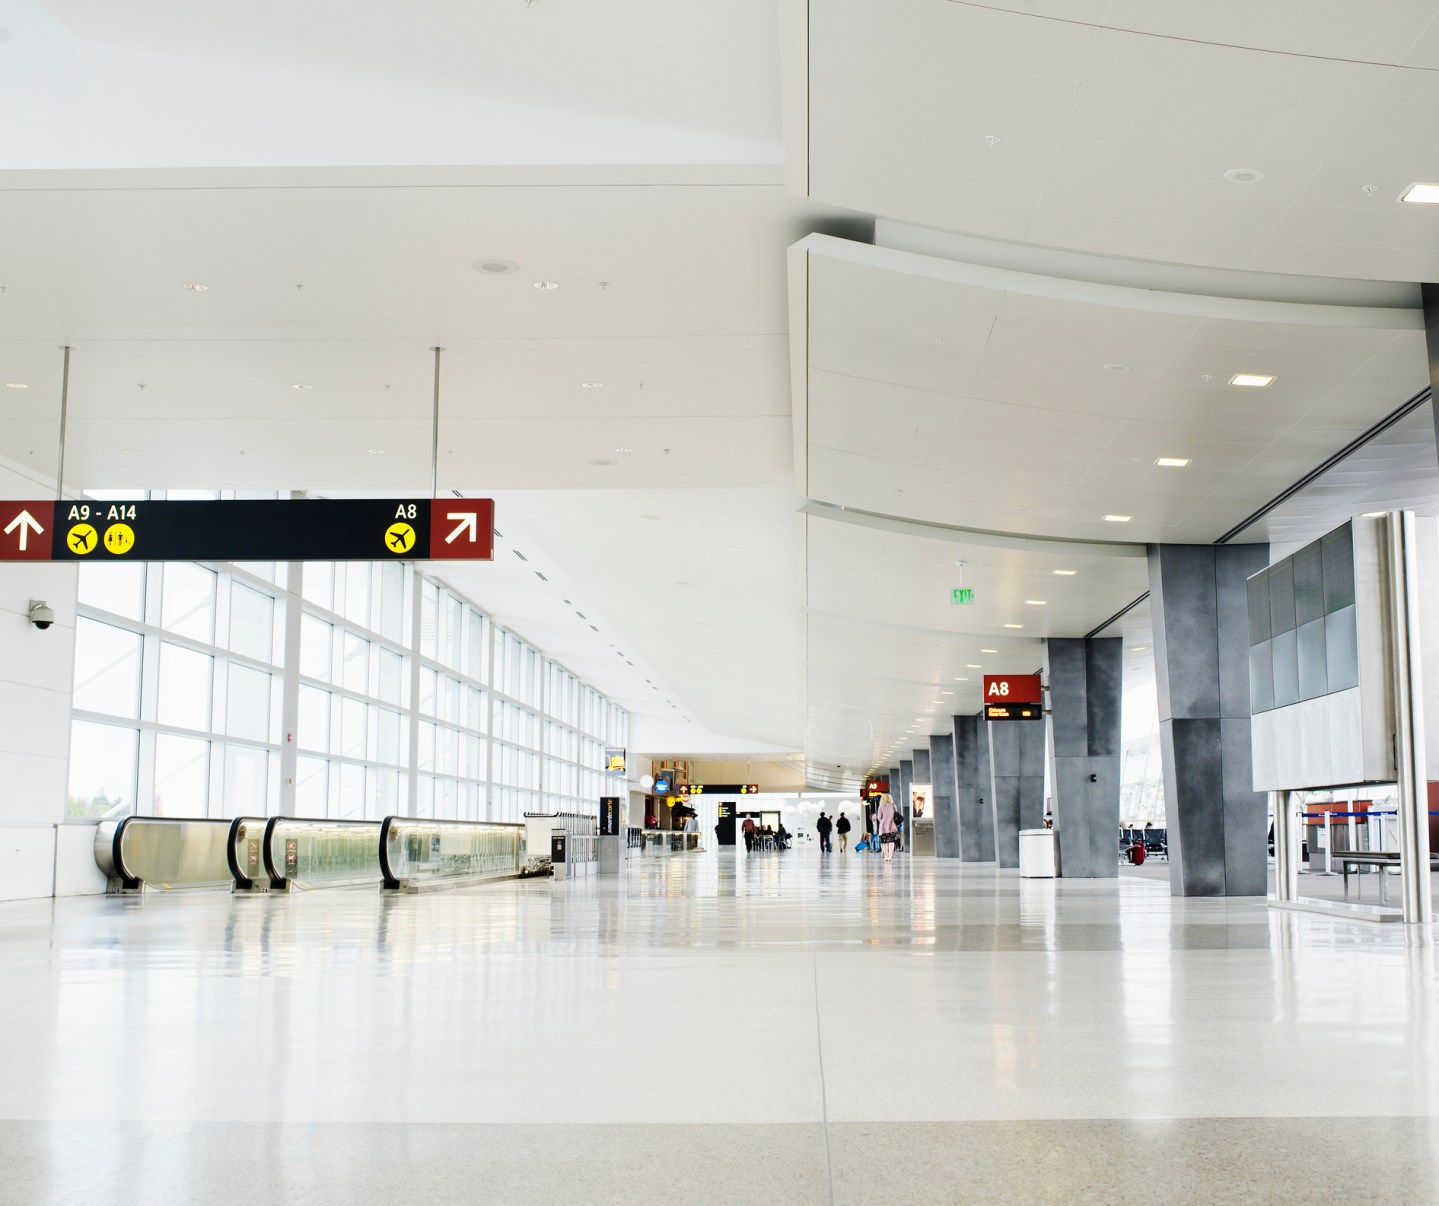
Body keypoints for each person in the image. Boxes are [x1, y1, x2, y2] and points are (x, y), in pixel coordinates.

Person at [877, 794, 899, 863]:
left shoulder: (881, 807)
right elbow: (896, 814)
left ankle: (886, 857)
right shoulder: (893, 806)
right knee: (891, 842)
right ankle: (890, 857)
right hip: (892, 826)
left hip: (883, 827)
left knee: (885, 842)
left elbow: (879, 817)